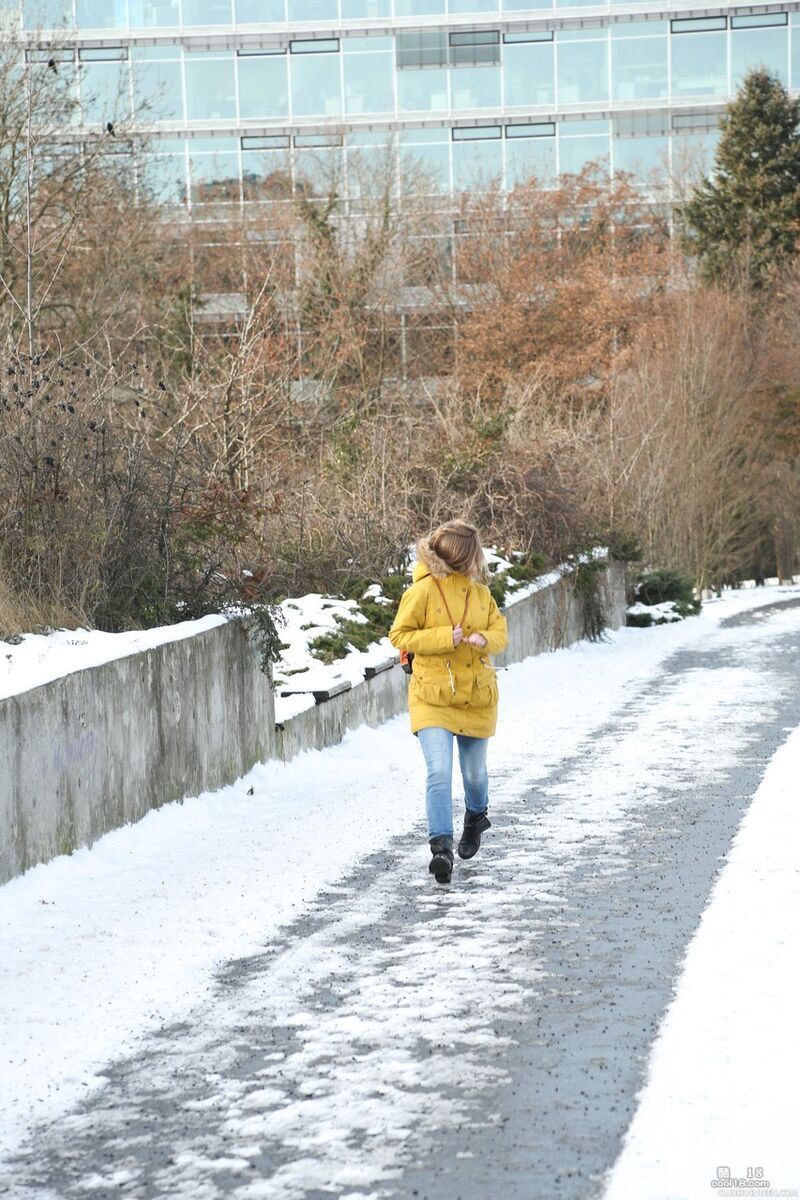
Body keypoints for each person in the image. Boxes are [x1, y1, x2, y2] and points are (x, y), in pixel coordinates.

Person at [388, 520, 508, 885]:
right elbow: (399, 635)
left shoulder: (481, 595)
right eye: (475, 556)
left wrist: (484, 640)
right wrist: (445, 636)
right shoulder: (422, 592)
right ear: (461, 557)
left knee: (474, 774)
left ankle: (476, 817)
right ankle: (441, 849)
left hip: (475, 695)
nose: (479, 562)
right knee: (439, 772)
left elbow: (501, 633)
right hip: (433, 696)